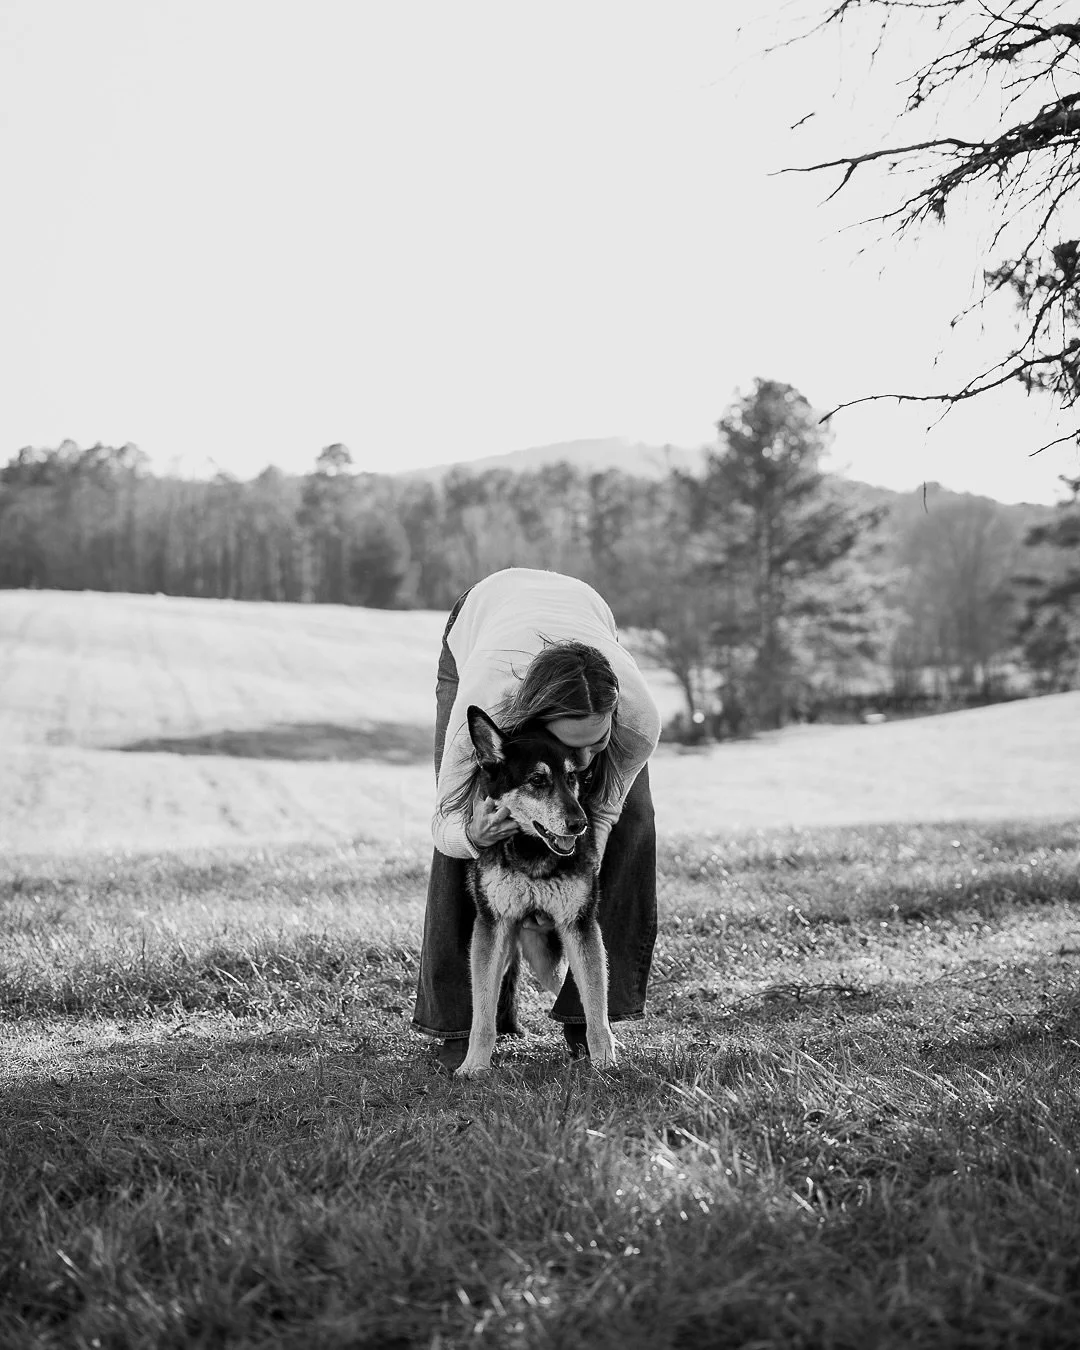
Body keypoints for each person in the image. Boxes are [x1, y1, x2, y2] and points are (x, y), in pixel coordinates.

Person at [411, 567, 662, 1073]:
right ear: (539, 724)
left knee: (636, 824)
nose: (586, 760)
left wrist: (579, 876)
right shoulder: (488, 702)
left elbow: (606, 810)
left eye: (596, 741)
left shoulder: (637, 722)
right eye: (571, 745)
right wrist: (473, 834)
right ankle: (460, 1026)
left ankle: (590, 1021)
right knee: (467, 836)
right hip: (482, 623)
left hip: (585, 609)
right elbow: (443, 821)